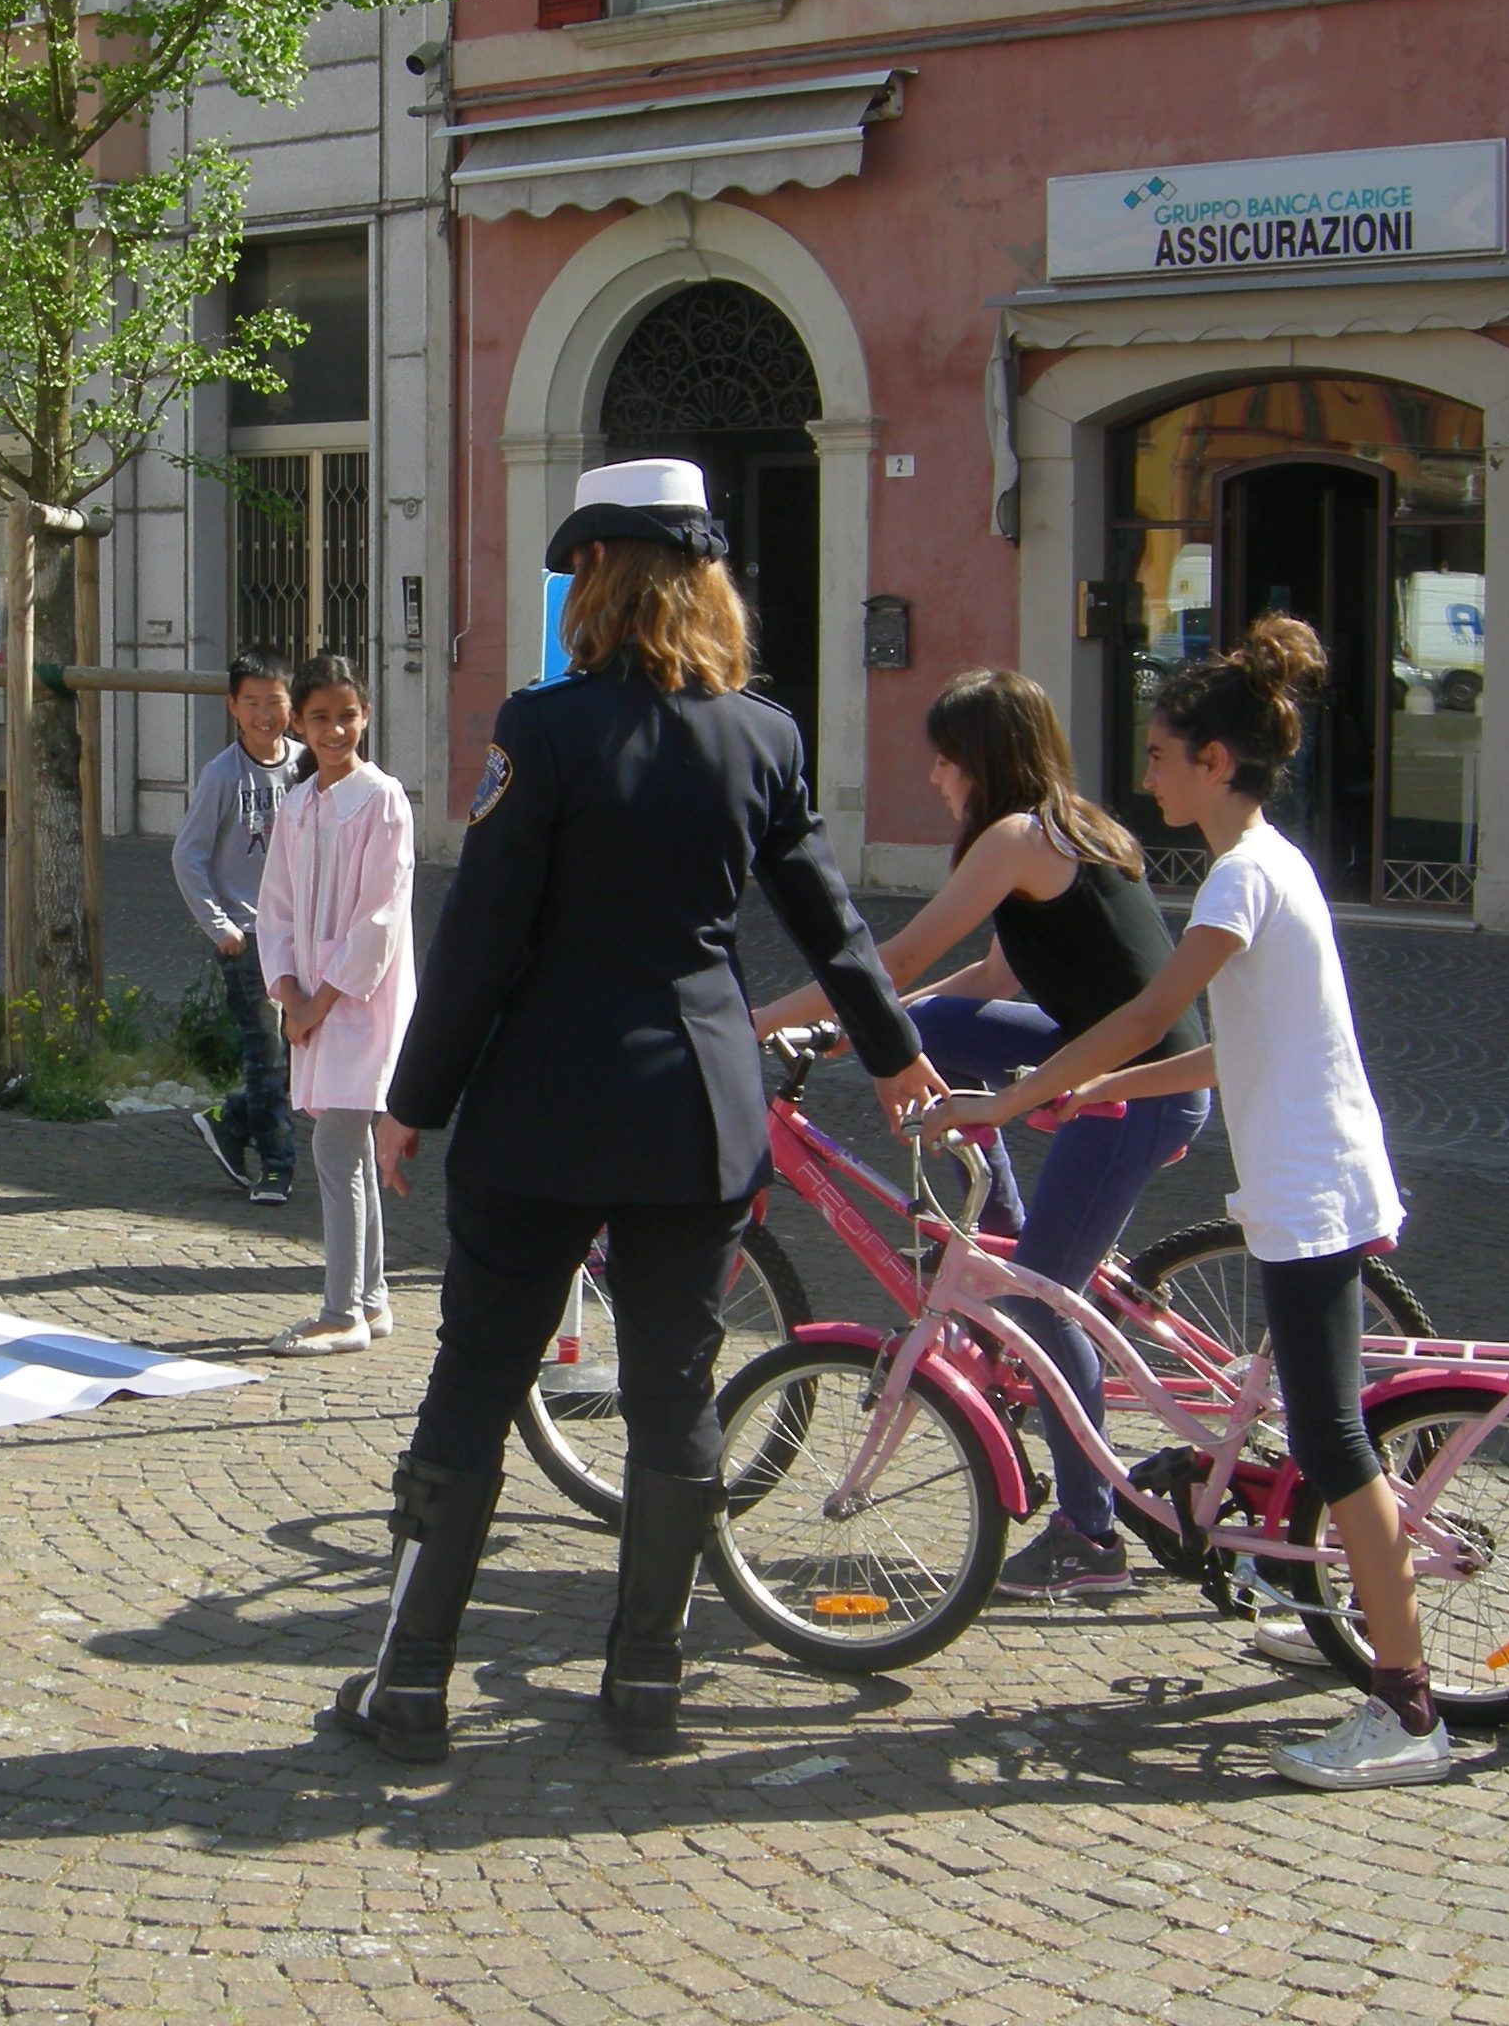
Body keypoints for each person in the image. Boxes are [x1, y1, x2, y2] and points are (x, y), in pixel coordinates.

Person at [332, 458, 946, 1763]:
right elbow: (832, 923)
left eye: (575, 572)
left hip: (545, 1110)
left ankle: (411, 1686)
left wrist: (410, 1102)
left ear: (604, 572)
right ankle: (647, 1685)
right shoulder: (764, 736)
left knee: (478, 1380)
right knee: (677, 1389)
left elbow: (485, 935)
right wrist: (895, 1056)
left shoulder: (544, 730)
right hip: (694, 1116)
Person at [950, 617, 1451, 1792]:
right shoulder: (1268, 865)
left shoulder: (1240, 876)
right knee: (1305, 1426)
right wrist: (1112, 1091)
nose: (1151, 773)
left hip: (1313, 1190)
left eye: (1167, 752)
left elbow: (1143, 1009)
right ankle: (1302, 1591)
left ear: (1215, 762)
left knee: (1333, 1441)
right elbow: (1212, 1050)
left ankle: (1407, 1705)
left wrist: (1015, 1096)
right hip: (1305, 1179)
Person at [749, 668, 1210, 1599]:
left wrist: (750, 1021)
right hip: (1103, 1059)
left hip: (1142, 1089)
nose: (935, 779)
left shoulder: (1014, 837)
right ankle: (990, 1225)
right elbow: (980, 984)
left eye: (946, 760)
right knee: (937, 1034)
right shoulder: (1068, 825)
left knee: (1043, 1303)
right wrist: (864, 1032)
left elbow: (904, 955)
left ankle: (1091, 1538)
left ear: (982, 761)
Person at [251, 655, 415, 1356]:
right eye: (320, 716)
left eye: (347, 715)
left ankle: (340, 1309)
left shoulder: (383, 801)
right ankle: (370, 1299)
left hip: (360, 1001)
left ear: (366, 717)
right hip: (310, 1001)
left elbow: (380, 916)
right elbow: (276, 907)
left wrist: (321, 1001)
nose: (335, 729)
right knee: (343, 1142)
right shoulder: (301, 803)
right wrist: (287, 987)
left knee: (337, 1142)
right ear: (299, 722)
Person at [171, 651, 303, 1205]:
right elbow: (188, 855)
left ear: (291, 707)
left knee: (302, 1051)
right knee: (265, 1053)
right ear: (232, 707)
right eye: (252, 702)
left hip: (299, 938)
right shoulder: (222, 775)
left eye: (274, 702)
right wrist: (220, 926)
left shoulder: (306, 764)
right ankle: (277, 1165)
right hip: (246, 938)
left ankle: (232, 1116)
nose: (264, 714)